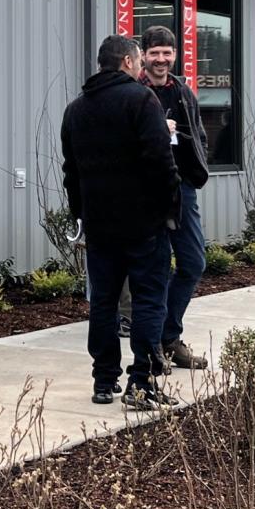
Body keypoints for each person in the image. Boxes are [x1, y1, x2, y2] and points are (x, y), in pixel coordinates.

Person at [62, 34, 179, 409]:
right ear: (129, 62)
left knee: (104, 301)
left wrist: (79, 214)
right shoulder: (142, 100)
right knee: (148, 300)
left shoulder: (75, 110)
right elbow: (161, 161)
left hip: (99, 223)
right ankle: (141, 381)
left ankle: (103, 380)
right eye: (139, 60)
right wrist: (170, 210)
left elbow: (71, 172)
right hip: (144, 222)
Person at [137, 25, 210, 371]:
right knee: (153, 269)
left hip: (183, 189)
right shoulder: (135, 92)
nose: (162, 59)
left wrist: (199, 164)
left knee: (193, 263)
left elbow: (198, 133)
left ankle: (169, 336)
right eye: (155, 53)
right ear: (143, 54)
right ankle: (154, 348)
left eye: (168, 53)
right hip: (148, 193)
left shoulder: (182, 92)